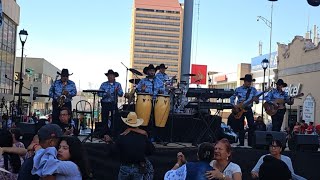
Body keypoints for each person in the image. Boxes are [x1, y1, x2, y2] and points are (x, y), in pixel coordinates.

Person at [104, 112, 155, 180]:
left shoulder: (122, 136)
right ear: (137, 124)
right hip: (138, 167)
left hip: (125, 166)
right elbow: (151, 150)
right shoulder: (143, 136)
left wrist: (109, 142)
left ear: (126, 124)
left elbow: (114, 151)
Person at [230, 74, 259, 146]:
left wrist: (256, 100)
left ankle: (250, 143)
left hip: (248, 109)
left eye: (250, 82)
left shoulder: (253, 90)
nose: (249, 83)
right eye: (248, 81)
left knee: (251, 126)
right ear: (245, 81)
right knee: (240, 127)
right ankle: (241, 143)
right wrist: (234, 106)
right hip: (239, 109)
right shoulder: (238, 89)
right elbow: (232, 98)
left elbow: (257, 101)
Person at [98, 69, 124, 136]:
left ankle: (113, 133)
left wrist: (117, 91)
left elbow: (121, 94)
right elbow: (99, 94)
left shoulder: (118, 84)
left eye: (111, 75)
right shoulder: (103, 84)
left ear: (114, 76)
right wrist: (105, 94)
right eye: (109, 75)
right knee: (104, 118)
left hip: (113, 103)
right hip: (105, 103)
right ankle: (104, 133)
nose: (110, 77)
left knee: (114, 119)